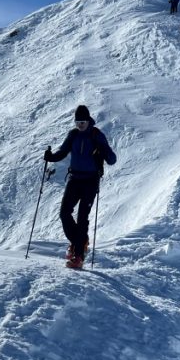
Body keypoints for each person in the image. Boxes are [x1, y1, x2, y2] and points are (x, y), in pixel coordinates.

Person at [44, 105, 117, 268]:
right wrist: (51, 157)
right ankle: (80, 242)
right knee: (64, 213)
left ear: (88, 120)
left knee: (82, 217)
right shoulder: (73, 135)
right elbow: (62, 152)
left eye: (83, 121)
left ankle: (78, 256)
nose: (80, 125)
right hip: (74, 179)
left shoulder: (96, 135)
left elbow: (112, 159)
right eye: (77, 122)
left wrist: (103, 152)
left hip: (90, 181)